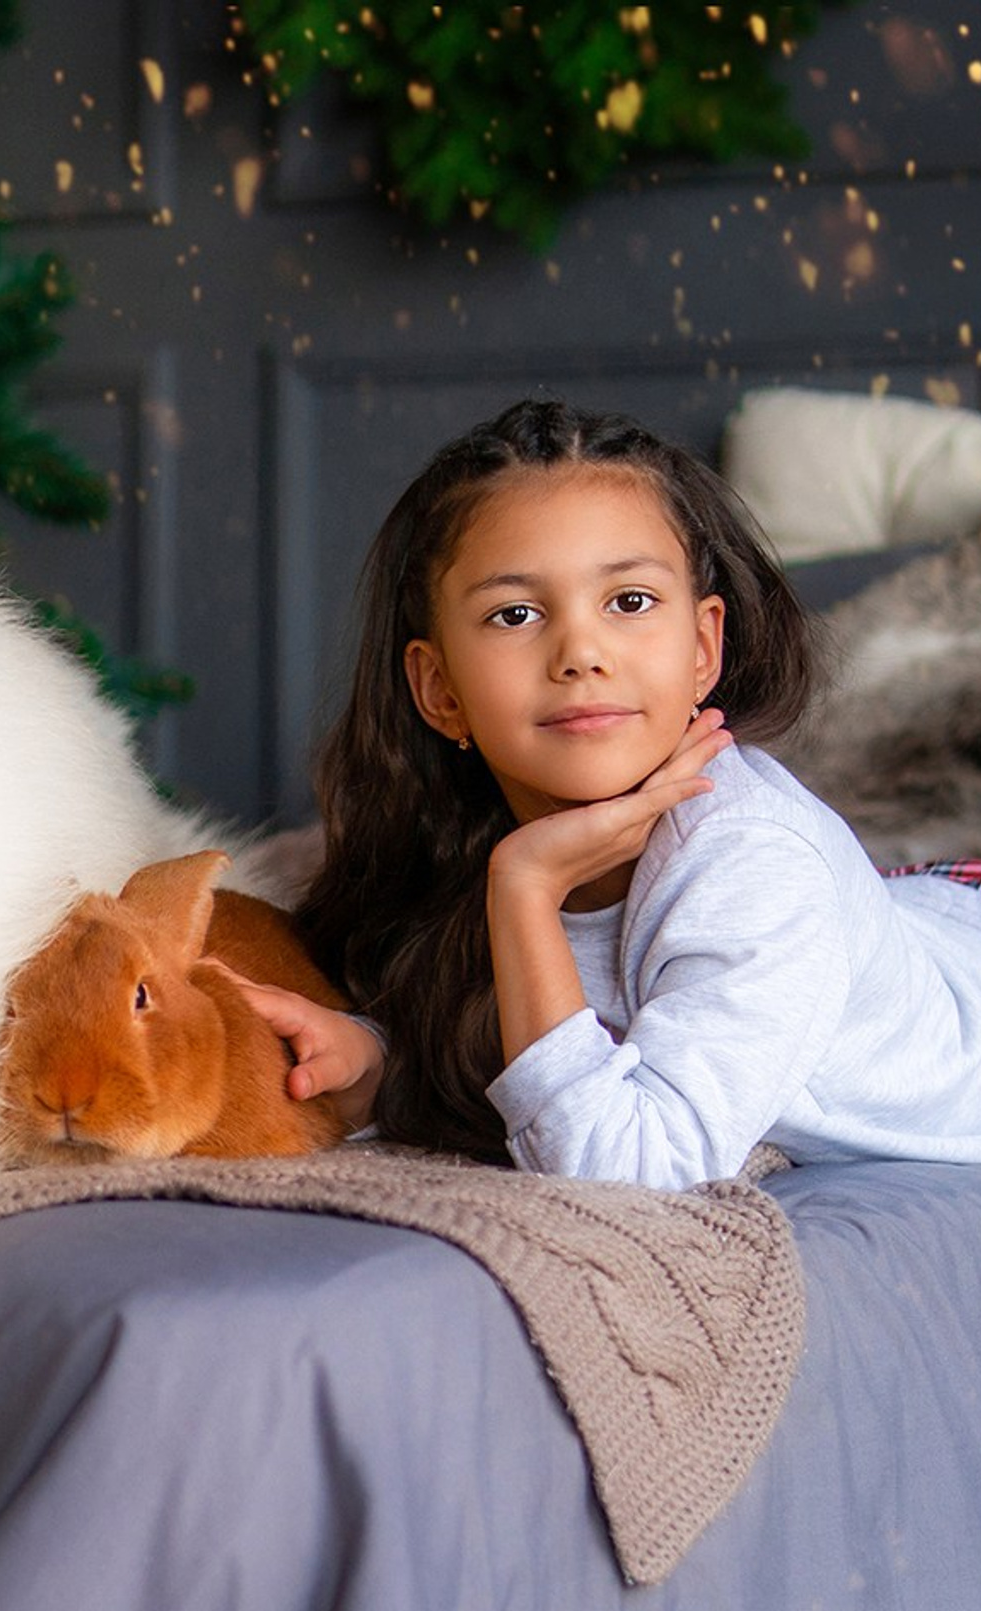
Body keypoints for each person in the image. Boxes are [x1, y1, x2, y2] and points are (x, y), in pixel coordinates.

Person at [253, 396, 981, 1184]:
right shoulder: (465, 824)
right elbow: (524, 1036)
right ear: (439, 689)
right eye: (516, 613)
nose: (580, 653)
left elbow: (623, 1168)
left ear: (704, 647)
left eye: (629, 602)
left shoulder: (753, 865)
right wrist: (379, 1068)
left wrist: (525, 888)